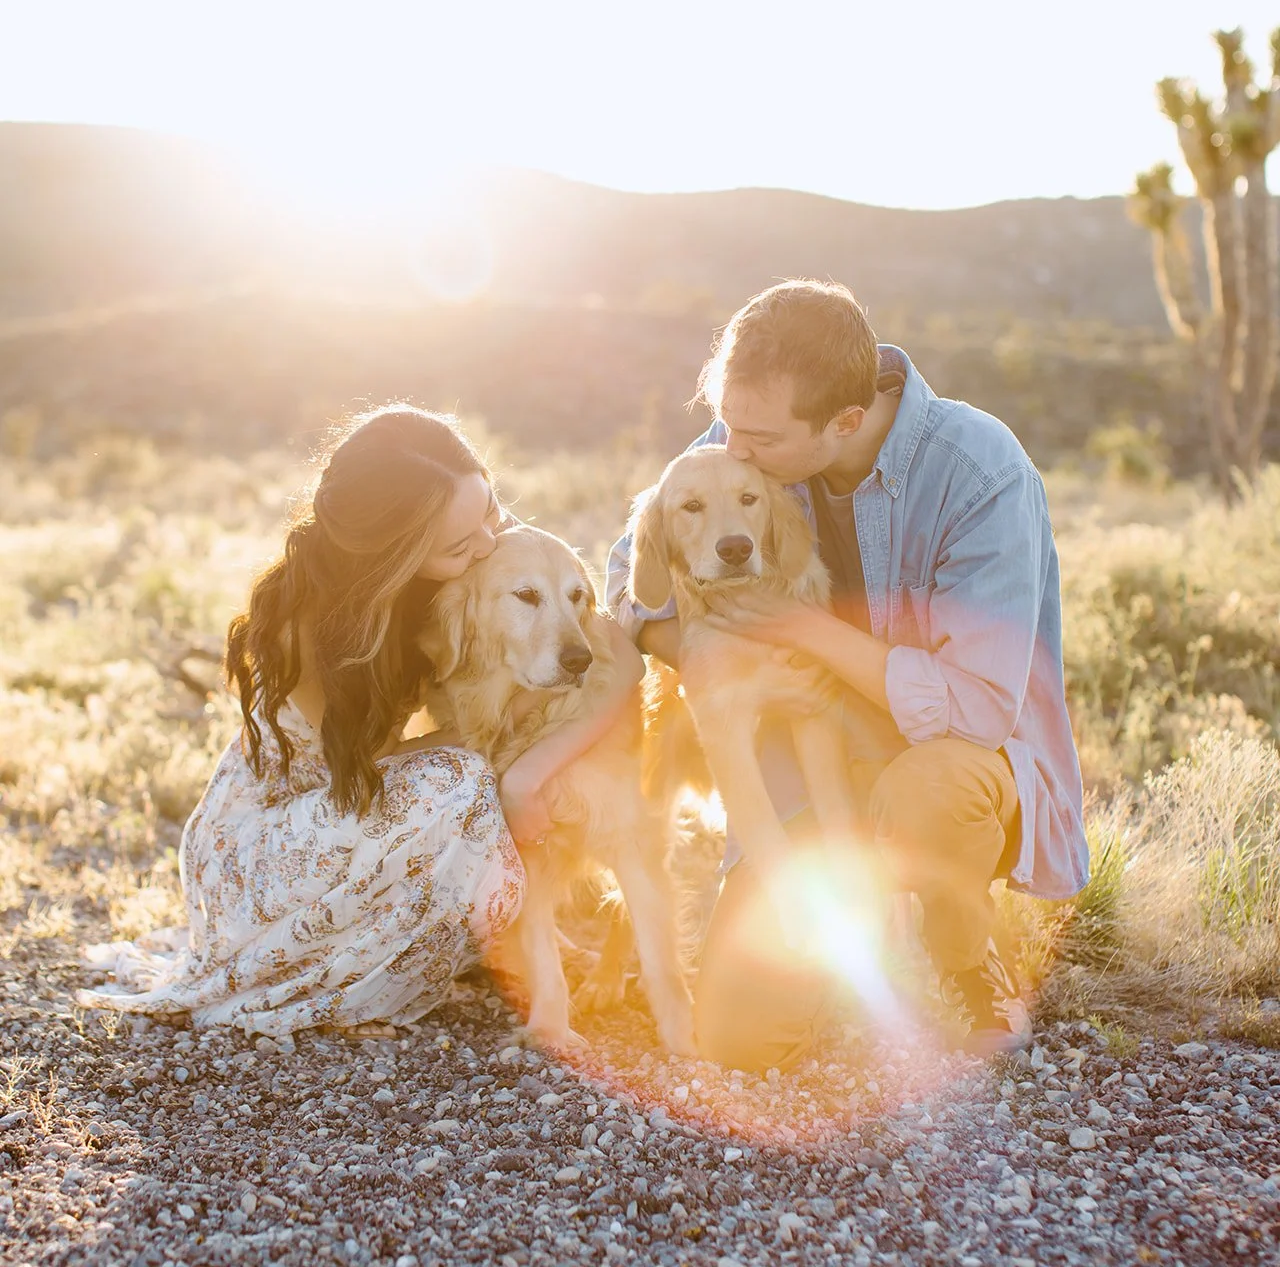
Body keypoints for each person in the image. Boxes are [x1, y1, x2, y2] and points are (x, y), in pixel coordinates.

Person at [606, 280, 1089, 1067]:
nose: (730, 448)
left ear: (845, 422)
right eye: (726, 422)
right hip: (808, 771)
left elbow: (975, 711)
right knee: (739, 1041)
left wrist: (802, 631)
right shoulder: (744, 450)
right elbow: (628, 569)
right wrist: (690, 647)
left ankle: (966, 953)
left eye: (756, 434)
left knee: (930, 797)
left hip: (945, 760)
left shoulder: (981, 474)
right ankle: (838, 945)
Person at [78, 405, 642, 1039]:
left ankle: (461, 946)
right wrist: (516, 727)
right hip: (274, 841)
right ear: (396, 550)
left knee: (484, 778)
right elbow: (367, 778)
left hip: (360, 824)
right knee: (461, 782)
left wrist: (530, 770)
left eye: (490, 513)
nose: (488, 545)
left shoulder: (473, 552)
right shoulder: (314, 628)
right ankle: (332, 976)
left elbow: (620, 664)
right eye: (462, 544)